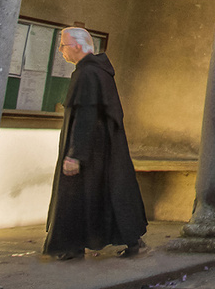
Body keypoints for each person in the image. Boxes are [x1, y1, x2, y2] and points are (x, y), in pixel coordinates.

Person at [43, 27, 148, 260]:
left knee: (78, 195)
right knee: (107, 193)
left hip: (90, 150)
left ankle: (71, 245)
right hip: (102, 149)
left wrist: (75, 154)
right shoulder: (98, 72)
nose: (61, 50)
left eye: (64, 45)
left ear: (78, 46)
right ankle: (131, 241)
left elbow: (86, 116)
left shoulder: (88, 74)